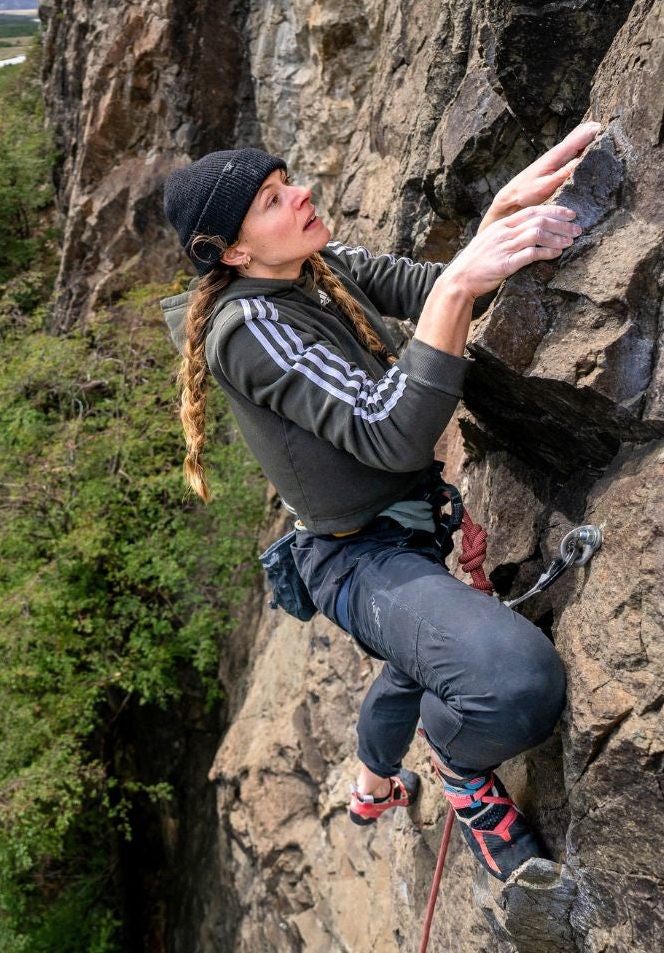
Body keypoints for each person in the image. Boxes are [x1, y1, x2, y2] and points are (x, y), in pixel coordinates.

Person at [158, 124, 601, 881]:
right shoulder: (250, 327)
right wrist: (464, 282)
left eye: (288, 179)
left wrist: (496, 218)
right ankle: (458, 766)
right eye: (271, 199)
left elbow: (433, 286)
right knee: (517, 684)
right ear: (231, 253)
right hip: (356, 559)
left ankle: (371, 782)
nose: (299, 194)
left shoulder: (317, 270)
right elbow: (389, 432)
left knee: (415, 659)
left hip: (404, 533)